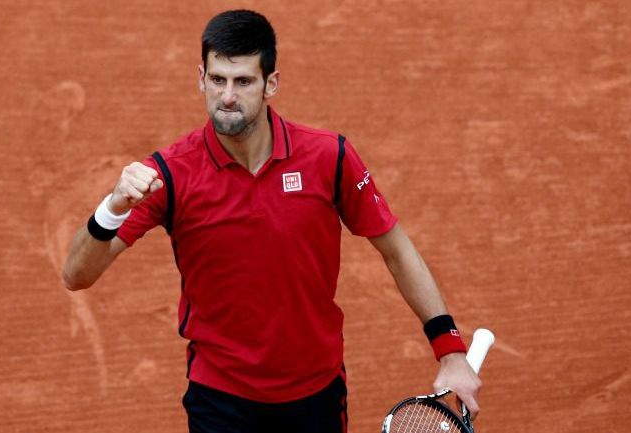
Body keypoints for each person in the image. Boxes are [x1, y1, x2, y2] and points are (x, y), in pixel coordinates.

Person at [62, 9, 481, 433]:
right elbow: (76, 274)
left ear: (270, 84)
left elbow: (396, 250)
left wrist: (450, 350)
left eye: (243, 81)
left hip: (316, 393)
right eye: (217, 79)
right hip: (220, 400)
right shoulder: (169, 174)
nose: (227, 96)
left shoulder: (327, 157)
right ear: (200, 79)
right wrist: (112, 207)